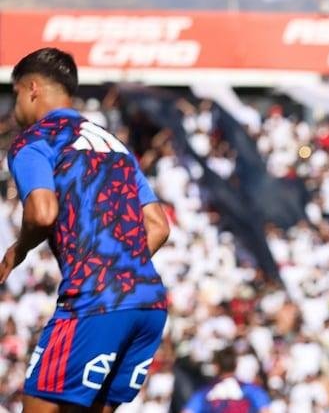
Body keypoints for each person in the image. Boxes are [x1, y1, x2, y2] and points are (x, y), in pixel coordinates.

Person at [0, 48, 171, 412]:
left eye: (15, 94)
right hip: (149, 304)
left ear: (31, 88)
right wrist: (121, 269)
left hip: (95, 302)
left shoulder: (35, 141)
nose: (15, 107)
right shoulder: (113, 144)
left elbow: (42, 212)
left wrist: (18, 250)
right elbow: (158, 225)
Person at [182, 347, 271, 413]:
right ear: (236, 365)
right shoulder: (252, 389)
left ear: (216, 367)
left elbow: (188, 411)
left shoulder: (204, 392)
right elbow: (265, 410)